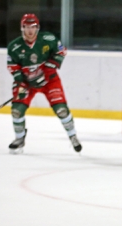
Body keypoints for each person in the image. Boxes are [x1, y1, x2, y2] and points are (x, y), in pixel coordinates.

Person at [6, 13, 80, 154]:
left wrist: (49, 69)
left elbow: (61, 51)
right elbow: (13, 66)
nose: (30, 30)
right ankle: (19, 138)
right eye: (26, 27)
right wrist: (22, 82)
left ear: (37, 27)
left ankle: (73, 136)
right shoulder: (14, 46)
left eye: (33, 27)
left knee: (61, 110)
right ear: (22, 28)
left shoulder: (48, 39)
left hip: (49, 81)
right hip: (27, 83)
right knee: (16, 111)